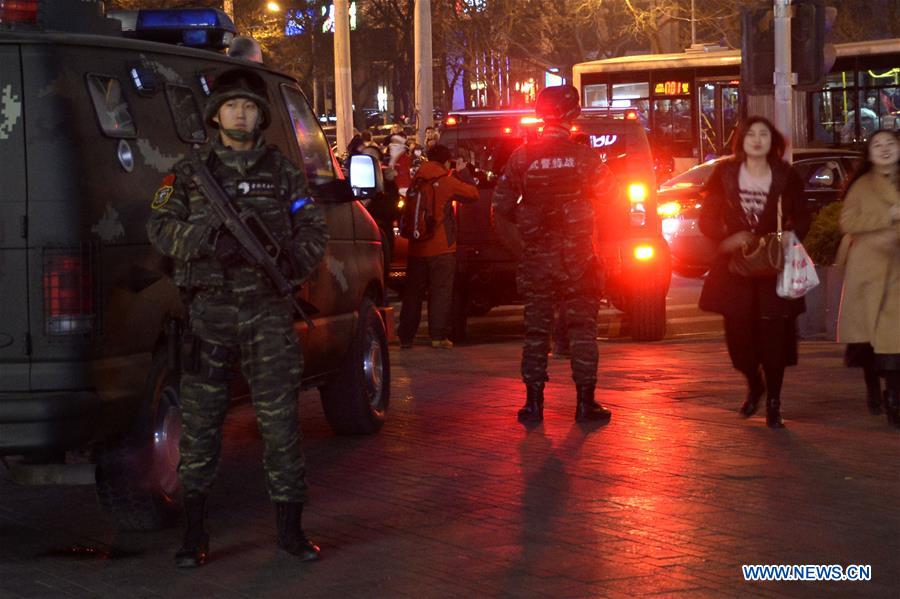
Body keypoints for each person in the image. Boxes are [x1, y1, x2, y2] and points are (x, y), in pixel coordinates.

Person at [147, 68, 329, 567]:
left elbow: (312, 224)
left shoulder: (283, 170)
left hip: (269, 315)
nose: (241, 114)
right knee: (202, 427)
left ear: (260, 114)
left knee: (280, 425)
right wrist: (207, 240)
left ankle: (291, 532)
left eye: (249, 107)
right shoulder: (189, 173)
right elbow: (159, 227)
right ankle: (194, 533)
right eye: (232, 106)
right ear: (216, 114)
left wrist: (294, 261)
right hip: (210, 315)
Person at [492, 85, 613, 424]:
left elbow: (499, 210)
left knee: (535, 333)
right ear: (573, 115)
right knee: (582, 331)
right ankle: (585, 404)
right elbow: (612, 194)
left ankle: (533, 405)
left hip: (537, 262)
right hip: (579, 262)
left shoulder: (522, 157)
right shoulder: (584, 157)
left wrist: (523, 249)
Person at [698, 116, 810, 428]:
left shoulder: (786, 176)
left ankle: (774, 401)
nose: (757, 140)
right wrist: (726, 238)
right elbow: (706, 218)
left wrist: (792, 235)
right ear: (742, 141)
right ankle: (754, 382)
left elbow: (802, 215)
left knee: (775, 338)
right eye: (751, 135)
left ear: (773, 141)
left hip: (773, 266)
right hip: (736, 269)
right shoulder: (724, 174)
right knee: (739, 343)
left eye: (764, 134)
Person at [837, 130, 900, 427]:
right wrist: (888, 215)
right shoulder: (862, 186)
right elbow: (848, 221)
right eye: (878, 145)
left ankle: (892, 395)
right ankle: (886, 393)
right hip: (872, 271)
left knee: (892, 337)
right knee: (875, 340)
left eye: (890, 144)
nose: (885, 149)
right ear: (869, 153)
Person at [397, 144, 479, 349]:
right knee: (440, 293)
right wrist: (463, 172)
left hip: (416, 248)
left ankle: (406, 337)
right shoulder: (446, 182)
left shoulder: (418, 180)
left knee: (412, 294)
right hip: (442, 248)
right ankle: (437, 336)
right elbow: (472, 195)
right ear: (446, 162)